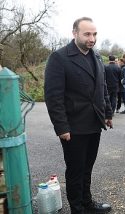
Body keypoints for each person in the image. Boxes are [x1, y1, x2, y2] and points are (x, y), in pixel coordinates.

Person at [44, 17, 113, 214]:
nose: (92, 39)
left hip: (94, 123)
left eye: (94, 34)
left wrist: (107, 113)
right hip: (73, 126)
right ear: (75, 33)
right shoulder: (60, 57)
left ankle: (87, 203)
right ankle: (77, 208)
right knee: (75, 170)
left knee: (87, 167)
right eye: (87, 34)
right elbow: (53, 96)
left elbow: (103, 88)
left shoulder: (97, 57)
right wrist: (61, 127)